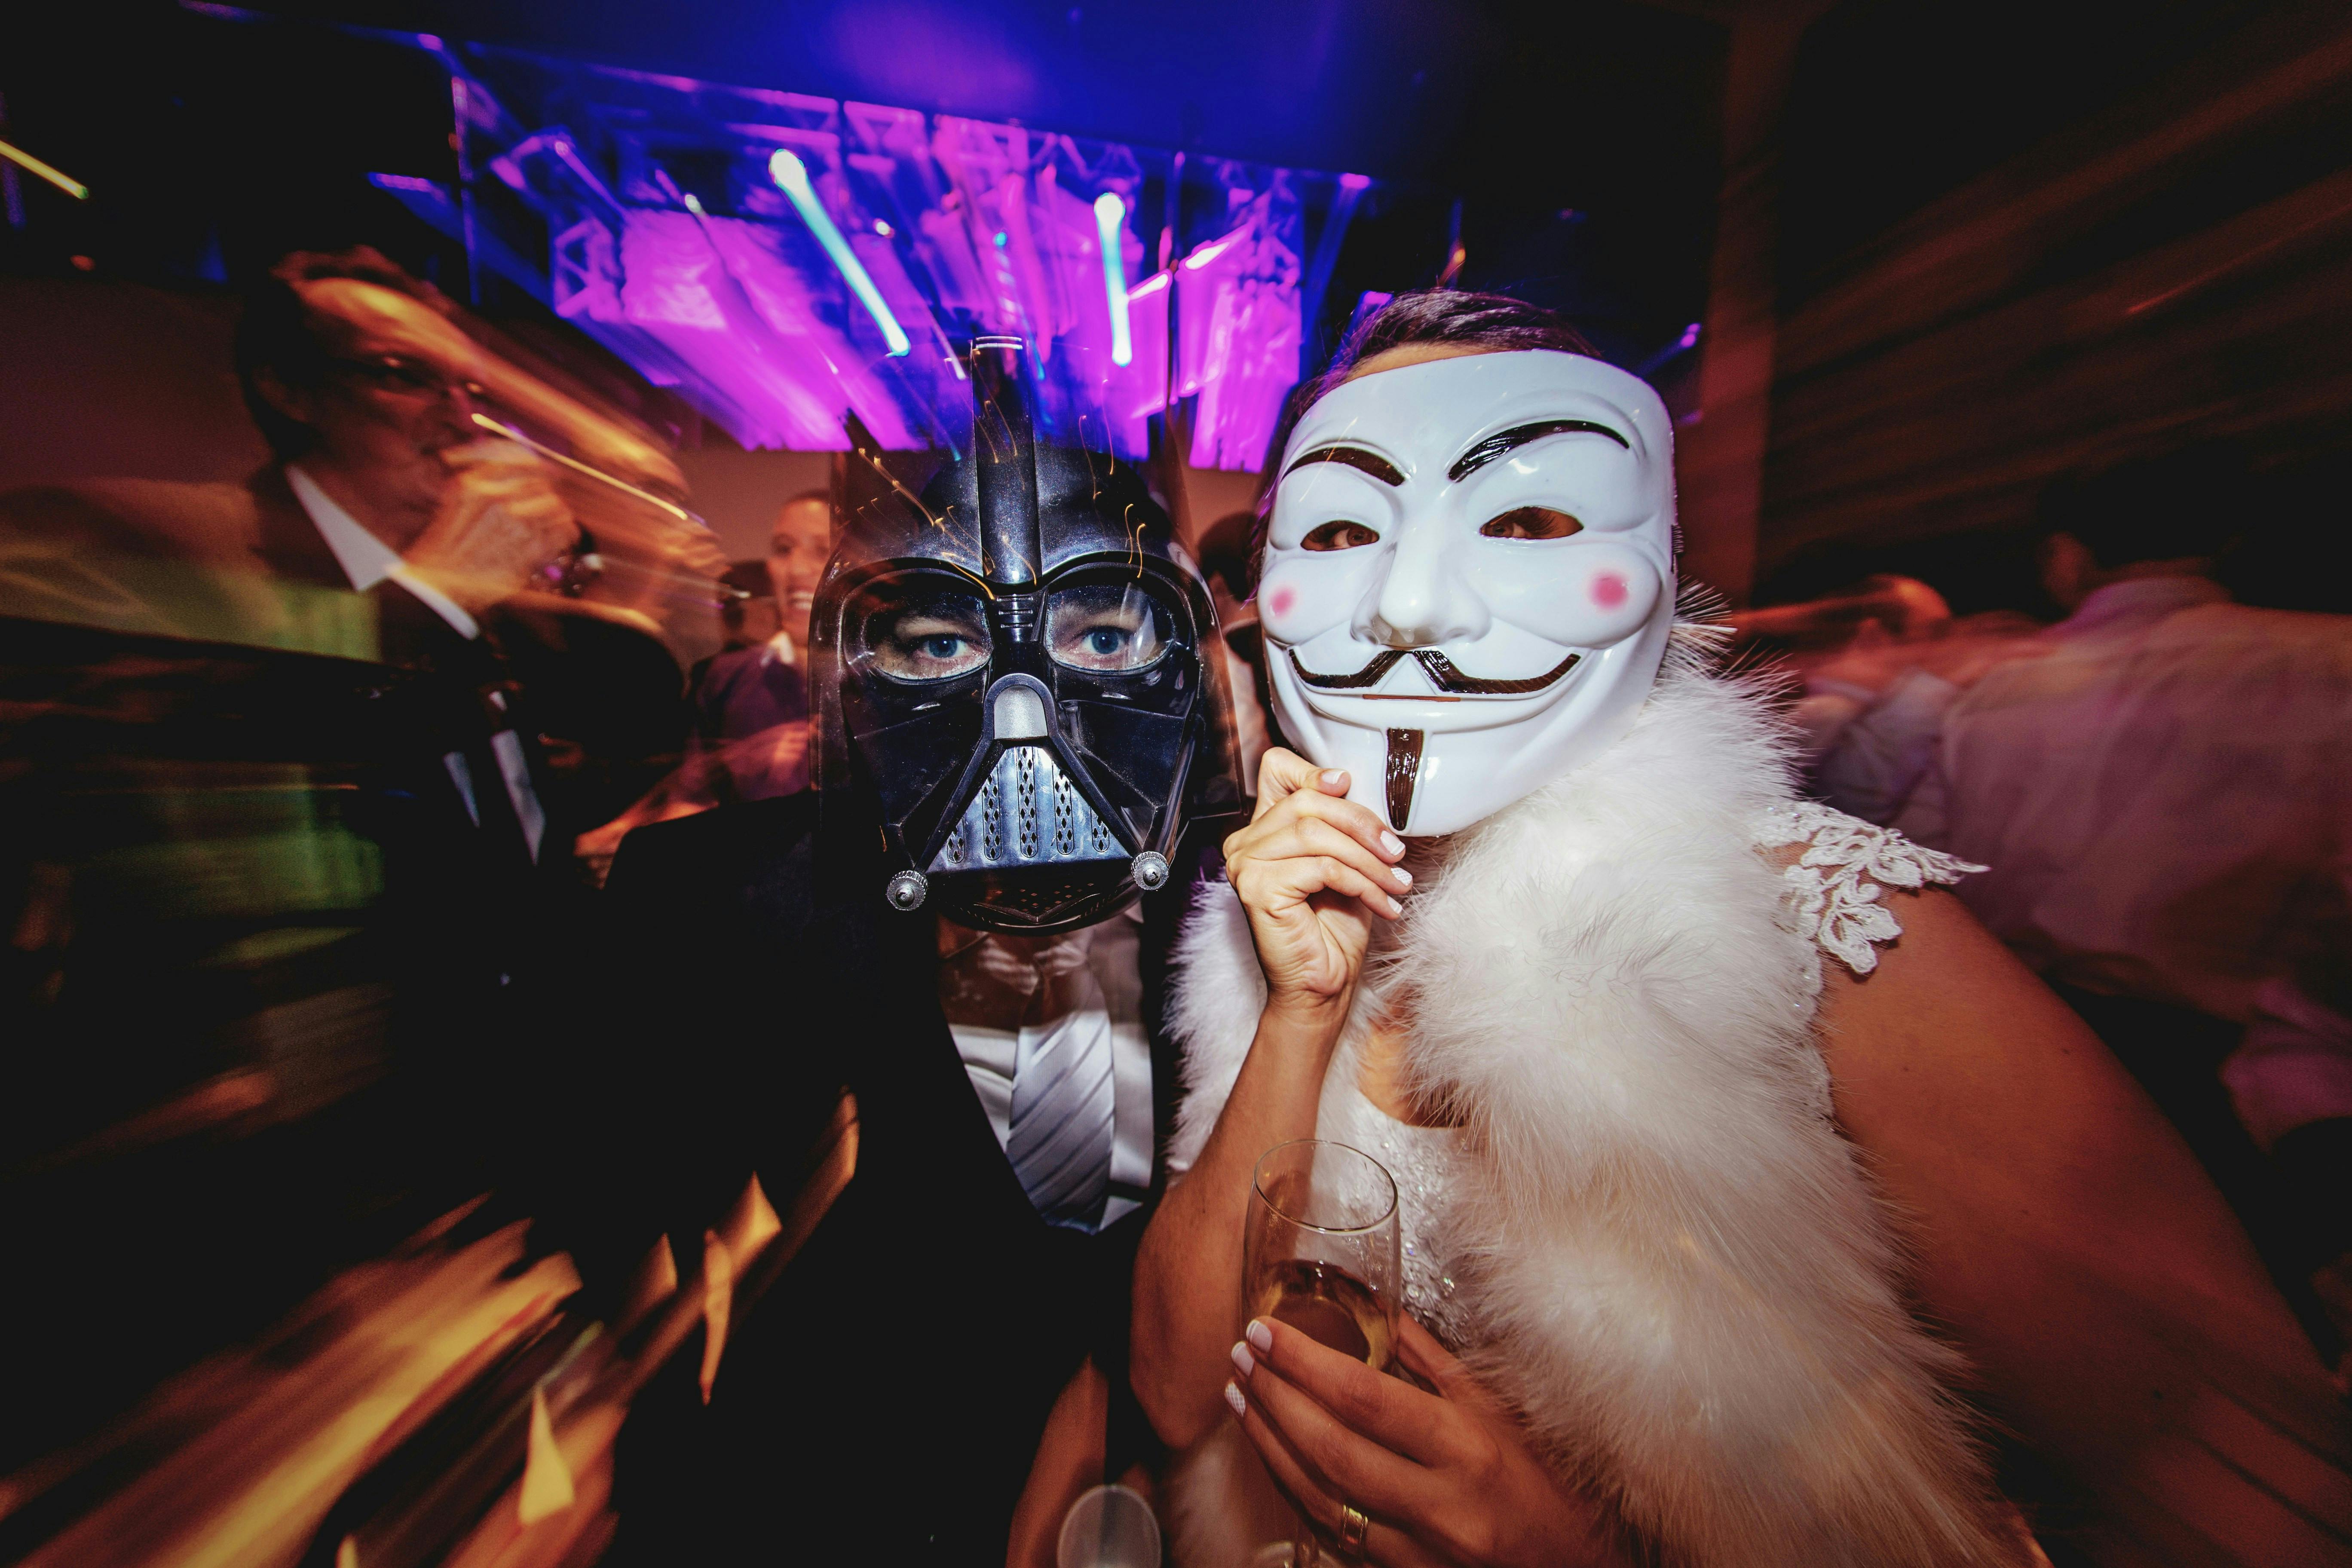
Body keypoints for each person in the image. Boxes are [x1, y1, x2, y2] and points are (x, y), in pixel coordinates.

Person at [1129, 292, 2346, 1567]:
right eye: (1342, 527)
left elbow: (2261, 1507)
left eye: (1522, 522)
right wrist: (1297, 1012)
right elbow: (1173, 1391)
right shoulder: (1273, 914)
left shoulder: (1814, 932)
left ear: (1656, 553)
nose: (1413, 603)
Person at [566, 342, 1243, 1562]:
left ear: (1184, 670)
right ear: (853, 675)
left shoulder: (1264, 916)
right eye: (940, 645)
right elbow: (636, 1277)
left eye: (1100, 638)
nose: (1022, 711)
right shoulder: (709, 909)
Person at [1817, 452, 2352, 1348]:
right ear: (2227, 541)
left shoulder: (1991, 679)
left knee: (2035, 1327)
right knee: (2251, 1334)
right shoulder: (2332, 660)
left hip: (2020, 1031)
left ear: (2066, 559)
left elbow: (1924, 868)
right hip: (2248, 1078)